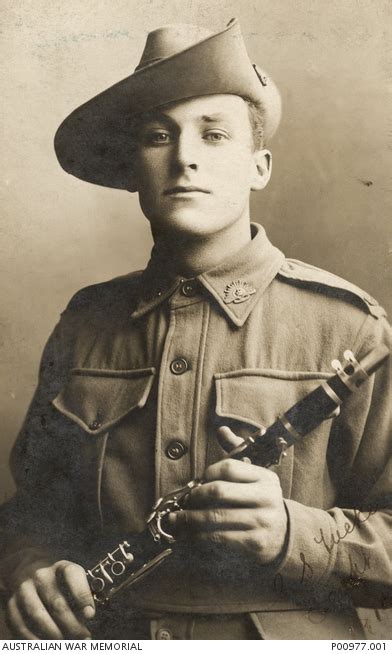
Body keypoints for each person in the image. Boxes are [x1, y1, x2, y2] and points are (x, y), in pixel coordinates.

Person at [0, 19, 391, 641]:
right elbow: (33, 513)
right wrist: (31, 569)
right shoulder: (86, 322)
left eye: (213, 135)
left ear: (259, 167)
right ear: (135, 166)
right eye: (160, 136)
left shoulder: (349, 327)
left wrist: (295, 534)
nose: (184, 157)